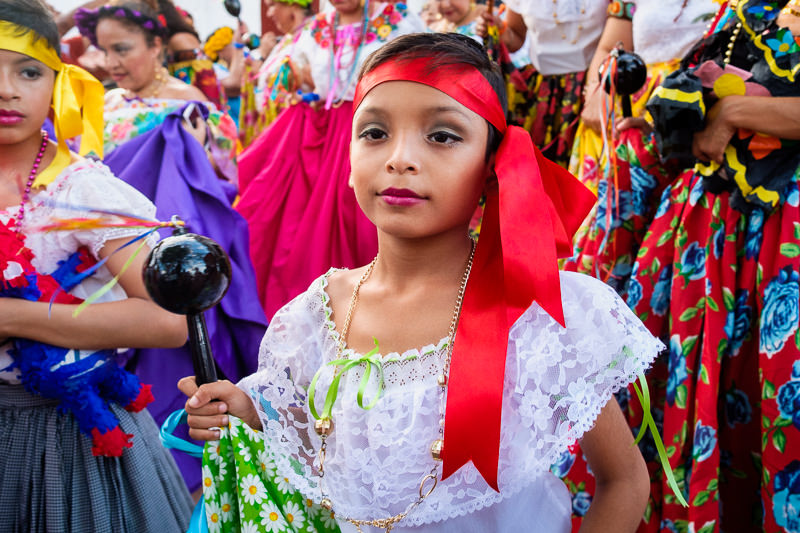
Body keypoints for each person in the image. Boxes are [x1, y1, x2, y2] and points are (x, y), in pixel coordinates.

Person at [179, 33, 665, 532]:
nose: (400, 158)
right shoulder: (309, 321)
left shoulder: (543, 311)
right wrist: (245, 416)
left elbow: (624, 480)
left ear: (492, 168)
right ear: (347, 163)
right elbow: (322, 459)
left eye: (442, 136)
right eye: (374, 133)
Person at [0, 1, 193, 530]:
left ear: (58, 82)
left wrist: (11, 319)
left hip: (69, 439)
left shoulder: (81, 192)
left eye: (29, 71)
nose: (7, 88)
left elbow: (167, 319)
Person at [618, 0, 800, 530]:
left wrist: (735, 113)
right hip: (714, 235)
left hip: (783, 238)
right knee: (709, 390)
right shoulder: (750, 10)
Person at [76, 0, 268, 493]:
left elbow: (224, 182)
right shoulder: (100, 105)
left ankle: (183, 477)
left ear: (157, 46)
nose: (113, 61)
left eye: (123, 48)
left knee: (172, 371)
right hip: (104, 261)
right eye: (104, 50)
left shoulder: (190, 107)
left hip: (171, 263)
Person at [236, 0, 425, 320]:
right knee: (297, 223)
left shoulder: (400, 19)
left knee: (364, 218)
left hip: (379, 131)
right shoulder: (315, 28)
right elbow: (302, 80)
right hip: (324, 135)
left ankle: (381, 310)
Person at [475, 0, 608, 167]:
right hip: (544, 96)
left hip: (593, 90)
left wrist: (598, 89)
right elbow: (515, 37)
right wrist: (498, 28)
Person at [238, 0, 315, 146]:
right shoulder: (287, 40)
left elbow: (322, 85)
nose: (269, 13)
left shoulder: (313, 35)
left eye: (272, 5)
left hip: (298, 136)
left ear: (293, 4)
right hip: (276, 135)